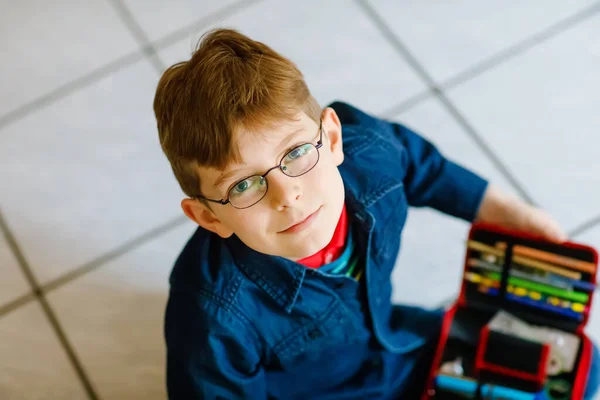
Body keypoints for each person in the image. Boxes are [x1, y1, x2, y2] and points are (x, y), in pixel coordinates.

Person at [152, 28, 598, 399]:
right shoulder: (212, 315)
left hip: (396, 347)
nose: (287, 195)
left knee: (583, 370)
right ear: (209, 217)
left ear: (331, 138)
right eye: (244, 185)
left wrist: (504, 211)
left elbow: (423, 166)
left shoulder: (372, 157)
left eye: (296, 152)